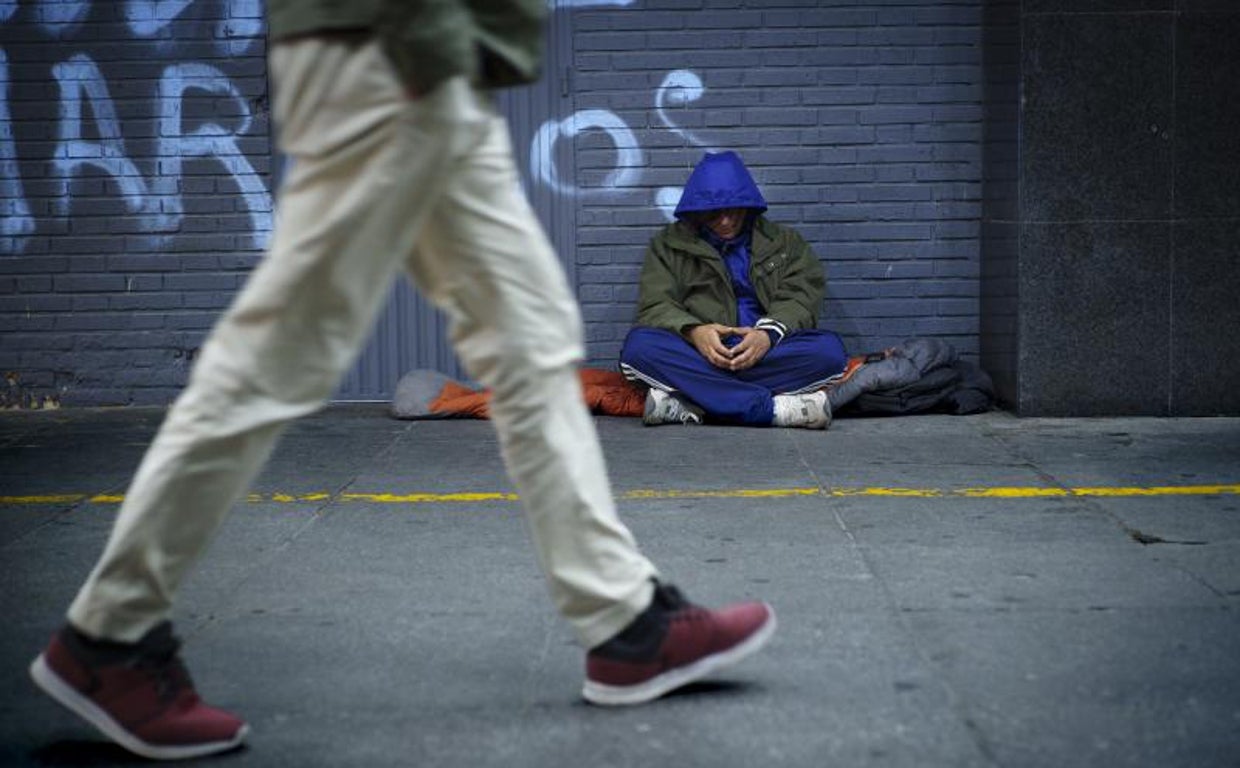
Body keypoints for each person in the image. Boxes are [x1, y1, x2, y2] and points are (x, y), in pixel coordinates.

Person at [28, 3, 776, 760]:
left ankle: (623, 621)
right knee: (288, 347)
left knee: (530, 340)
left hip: (432, 61)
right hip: (388, 55)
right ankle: (110, 634)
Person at [619, 151, 848, 429]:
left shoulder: (785, 242)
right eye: (714, 214)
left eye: (734, 211)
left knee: (830, 353)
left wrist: (767, 335)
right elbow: (656, 304)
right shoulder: (668, 245)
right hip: (700, 353)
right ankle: (772, 410)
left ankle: (693, 400)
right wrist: (695, 332)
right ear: (697, 211)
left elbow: (801, 296)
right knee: (638, 349)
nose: (725, 221)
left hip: (767, 353)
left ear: (748, 205)